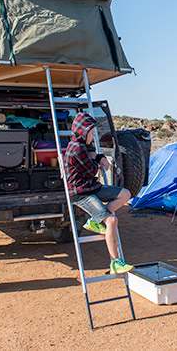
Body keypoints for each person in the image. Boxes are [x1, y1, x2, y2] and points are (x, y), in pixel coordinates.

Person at [64, 112, 133, 274]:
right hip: (81, 192)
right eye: (91, 133)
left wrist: (99, 157)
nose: (93, 136)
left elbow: (93, 154)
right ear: (83, 132)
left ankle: (94, 220)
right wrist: (98, 161)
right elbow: (91, 171)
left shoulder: (81, 145)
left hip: (90, 187)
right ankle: (115, 262)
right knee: (111, 221)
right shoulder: (76, 149)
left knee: (125, 194)